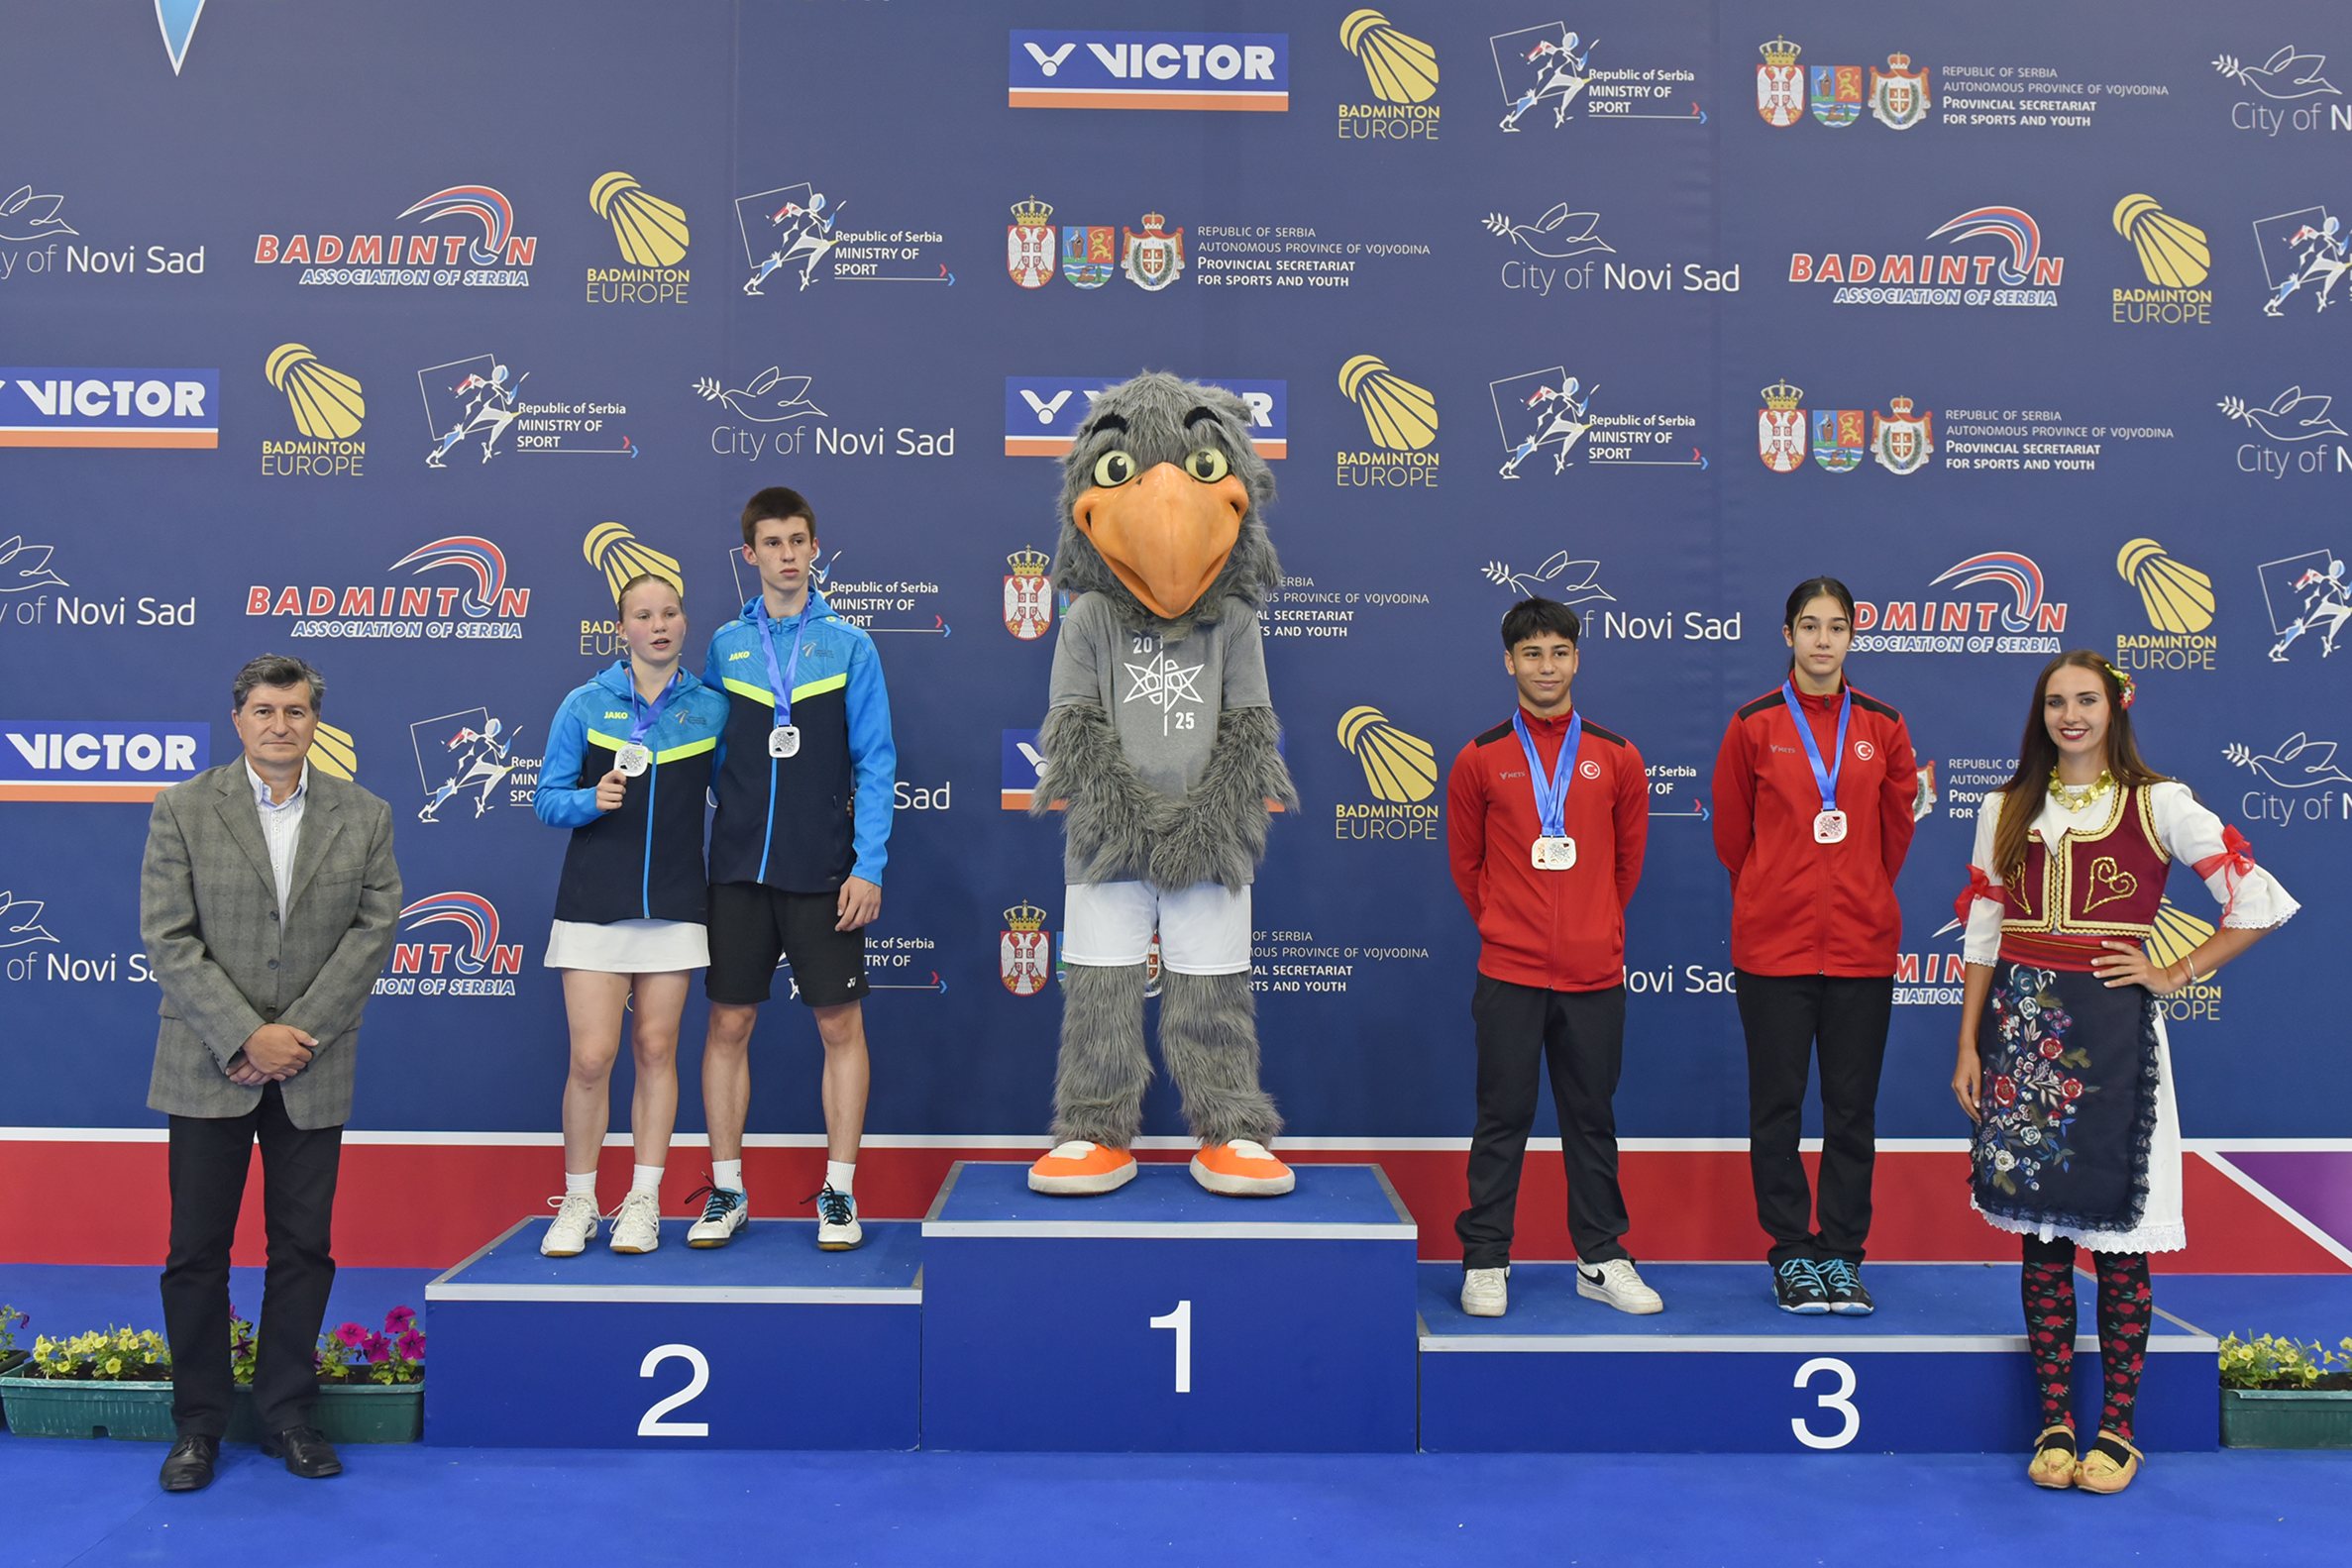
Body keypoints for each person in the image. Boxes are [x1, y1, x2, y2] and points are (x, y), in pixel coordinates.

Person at [1953, 652, 2295, 1493]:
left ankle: (2117, 1427)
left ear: (2115, 708)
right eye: (2056, 702)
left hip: (2116, 1043)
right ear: (2039, 713)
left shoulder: (2158, 802)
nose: (2070, 715)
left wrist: (2175, 970)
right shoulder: (2004, 805)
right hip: (2023, 1042)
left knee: (2118, 1243)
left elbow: (2256, 898)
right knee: (2040, 1239)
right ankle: (2055, 1419)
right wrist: (1968, 1045)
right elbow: (1985, 933)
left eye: (2086, 700)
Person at [141, 655, 401, 1492]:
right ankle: (199, 1425)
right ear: (239, 719)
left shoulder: (366, 814)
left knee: (302, 1248)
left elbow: (372, 931)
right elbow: (168, 936)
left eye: (295, 710)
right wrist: (248, 1035)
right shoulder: (182, 807)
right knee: (195, 1252)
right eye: (264, 710)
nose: (280, 724)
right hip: (205, 1061)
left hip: (312, 1067)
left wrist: (298, 1034)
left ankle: (288, 1413)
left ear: (315, 721)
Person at [691, 487, 896, 1250]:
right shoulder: (725, 647)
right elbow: (708, 755)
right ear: (750, 554)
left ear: (815, 549)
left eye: (797, 540)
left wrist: (867, 864)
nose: (786, 554)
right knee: (728, 1022)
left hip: (825, 871)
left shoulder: (850, 646)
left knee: (840, 1025)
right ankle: (726, 1189)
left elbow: (876, 762)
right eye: (772, 542)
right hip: (738, 871)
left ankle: (839, 1193)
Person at [1446, 598, 1659, 1317]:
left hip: (1593, 976)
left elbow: (1626, 864)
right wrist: (1506, 925)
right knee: (1501, 1118)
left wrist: (1593, 927)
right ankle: (1485, 1258)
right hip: (1509, 974)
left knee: (1591, 1120)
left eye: (1559, 652)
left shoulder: (1617, 755)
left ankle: (1600, 1257)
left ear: (1577, 659)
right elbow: (1467, 865)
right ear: (1509, 662)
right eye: (1532, 653)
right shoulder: (1479, 758)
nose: (1547, 666)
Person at [1711, 577, 1918, 1314]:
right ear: (1788, 635)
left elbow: (1894, 833)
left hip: (1862, 948)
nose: (1822, 640)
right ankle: (1792, 1253)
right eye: (1809, 625)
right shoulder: (1753, 724)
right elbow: (1732, 836)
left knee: (1851, 1110)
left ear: (1853, 635)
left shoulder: (1884, 725)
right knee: (1777, 1106)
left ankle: (1842, 1253)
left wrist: (1859, 889)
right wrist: (1774, 891)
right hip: (1774, 952)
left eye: (1836, 626)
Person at [533, 574, 727, 1258]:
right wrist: (590, 799)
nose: (659, 625)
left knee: (655, 1050)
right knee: (591, 1057)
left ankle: (643, 1200)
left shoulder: (711, 708)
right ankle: (579, 1201)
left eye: (670, 612)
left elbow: (741, 793)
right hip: (594, 905)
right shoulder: (584, 703)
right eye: (643, 615)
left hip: (675, 904)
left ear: (684, 622)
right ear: (622, 629)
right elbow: (547, 798)